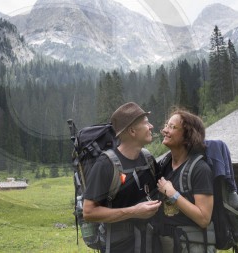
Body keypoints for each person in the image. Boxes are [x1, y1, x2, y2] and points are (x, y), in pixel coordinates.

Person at [83, 102, 162, 252]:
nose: (151, 126)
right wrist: (134, 211)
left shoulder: (148, 159)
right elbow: (88, 212)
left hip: (151, 244)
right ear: (132, 131)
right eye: (146, 123)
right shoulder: (105, 165)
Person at [155, 109, 216, 253]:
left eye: (172, 127)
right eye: (166, 125)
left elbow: (204, 218)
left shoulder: (200, 169)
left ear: (188, 136)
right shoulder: (163, 166)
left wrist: (172, 193)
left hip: (191, 246)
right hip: (167, 245)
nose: (165, 130)